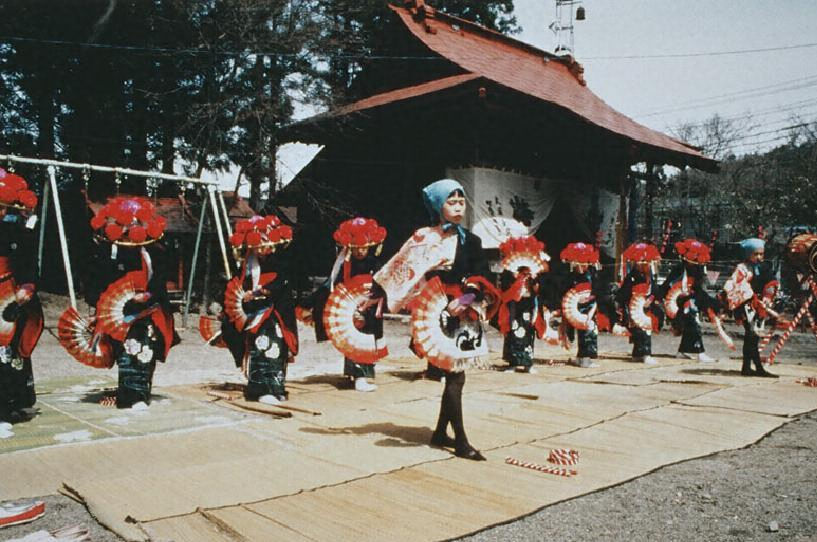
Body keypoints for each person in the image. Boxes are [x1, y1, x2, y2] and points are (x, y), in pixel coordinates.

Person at [373, 179, 498, 461]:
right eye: (451, 202)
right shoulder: (423, 238)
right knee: (455, 376)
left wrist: (467, 298)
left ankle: (441, 432)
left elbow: (483, 275)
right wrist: (374, 294)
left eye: (461, 201)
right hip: (435, 313)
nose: (457, 207)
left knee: (456, 376)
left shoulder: (472, 240)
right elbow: (398, 268)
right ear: (437, 206)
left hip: (463, 313)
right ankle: (461, 442)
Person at [82, 196, 177, 408]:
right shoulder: (107, 253)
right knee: (125, 353)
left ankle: (139, 395)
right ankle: (128, 395)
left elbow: (160, 279)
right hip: (119, 314)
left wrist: (149, 294)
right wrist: (100, 308)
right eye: (125, 230)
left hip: (147, 311)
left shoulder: (153, 252)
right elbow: (95, 282)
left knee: (144, 351)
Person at [221, 215, 298, 403]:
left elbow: (284, 281)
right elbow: (237, 286)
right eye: (261, 246)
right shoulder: (247, 265)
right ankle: (261, 389)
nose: (266, 250)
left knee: (277, 346)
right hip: (256, 313)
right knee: (261, 346)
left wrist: (263, 291)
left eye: (269, 245)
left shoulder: (281, 261)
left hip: (277, 310)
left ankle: (276, 388)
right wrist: (243, 299)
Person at [305, 217, 387, 392]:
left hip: (370, 307)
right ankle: (358, 376)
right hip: (350, 309)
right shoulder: (345, 266)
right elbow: (333, 285)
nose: (360, 252)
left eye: (363, 248)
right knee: (353, 340)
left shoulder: (375, 264)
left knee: (367, 340)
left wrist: (370, 303)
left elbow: (382, 286)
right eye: (356, 248)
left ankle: (363, 375)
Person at [0, 169, 42, 424]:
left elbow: (27, 262)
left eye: (5, 207)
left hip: (8, 293)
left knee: (10, 349)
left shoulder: (15, 231)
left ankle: (12, 402)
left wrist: (28, 285)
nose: (3, 212)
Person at [723, 238, 778, 377]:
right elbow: (735, 285)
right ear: (748, 254)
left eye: (761, 254)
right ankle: (756, 367)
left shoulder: (765, 267)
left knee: (752, 337)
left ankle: (747, 367)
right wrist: (749, 296)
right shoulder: (742, 268)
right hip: (746, 304)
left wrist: (767, 297)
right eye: (756, 254)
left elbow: (770, 283)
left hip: (760, 304)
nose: (759, 257)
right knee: (751, 335)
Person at [497, 236, 551, 373]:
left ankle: (528, 363)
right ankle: (513, 363)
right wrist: (514, 279)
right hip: (514, 306)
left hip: (529, 305)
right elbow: (504, 289)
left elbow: (541, 290)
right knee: (513, 332)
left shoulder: (535, 274)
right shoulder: (509, 272)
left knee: (529, 333)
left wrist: (536, 281)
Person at [661, 238, 718, 362]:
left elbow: (699, 291)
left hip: (690, 302)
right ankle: (700, 353)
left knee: (691, 325)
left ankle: (682, 351)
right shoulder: (679, 269)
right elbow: (667, 286)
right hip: (677, 304)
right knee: (694, 324)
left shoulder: (697, 271)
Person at [558, 242, 604, 368]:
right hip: (575, 308)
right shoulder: (571, 277)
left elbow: (598, 290)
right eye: (577, 263)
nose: (581, 267)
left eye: (583, 263)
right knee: (582, 333)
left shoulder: (592, 275)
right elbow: (565, 291)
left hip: (590, 307)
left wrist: (591, 297)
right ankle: (582, 358)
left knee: (590, 332)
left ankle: (585, 358)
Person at [617, 241, 664, 364]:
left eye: (645, 261)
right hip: (634, 307)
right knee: (640, 330)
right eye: (640, 261)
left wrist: (651, 299)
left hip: (647, 306)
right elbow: (623, 293)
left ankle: (642, 354)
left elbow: (655, 291)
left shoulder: (650, 276)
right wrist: (631, 304)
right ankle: (642, 354)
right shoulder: (631, 277)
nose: (643, 264)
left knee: (646, 329)